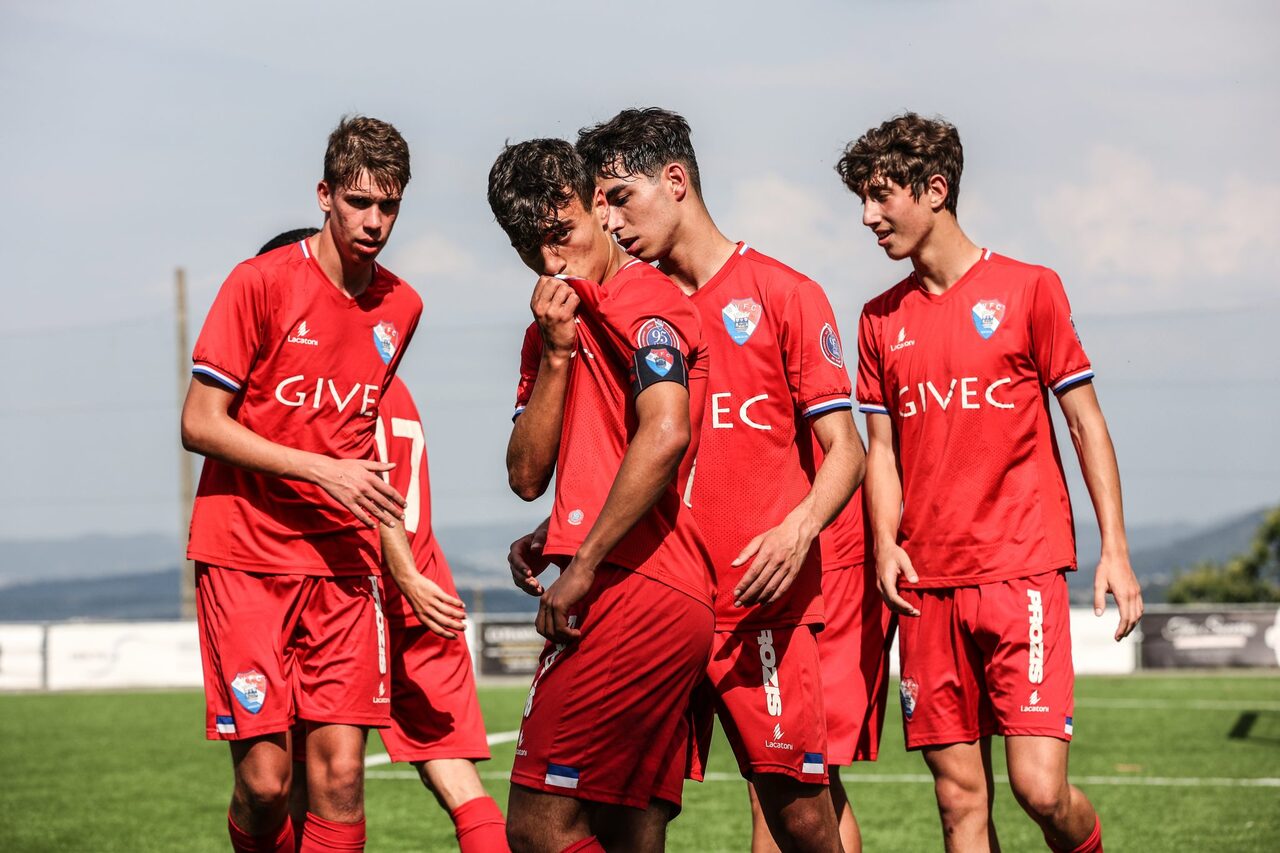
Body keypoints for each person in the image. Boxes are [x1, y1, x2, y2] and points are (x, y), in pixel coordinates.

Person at [576, 107, 880, 853]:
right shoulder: (631, 312)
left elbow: (847, 447)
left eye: (620, 197)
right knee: (634, 818)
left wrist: (799, 525)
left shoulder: (784, 292)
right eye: (600, 204)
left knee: (801, 812)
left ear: (675, 180)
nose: (609, 222)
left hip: (760, 606)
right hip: (661, 603)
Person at [838, 112, 1144, 853]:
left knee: (1040, 789)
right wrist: (884, 544)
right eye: (863, 200)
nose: (869, 217)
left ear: (935, 189)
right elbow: (881, 449)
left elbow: (1085, 422)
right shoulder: (879, 319)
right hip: (926, 583)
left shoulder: (1030, 289)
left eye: (883, 196)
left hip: (1022, 572)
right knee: (958, 803)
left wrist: (1116, 548)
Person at [181, 116, 423, 853]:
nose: (374, 221)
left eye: (389, 205)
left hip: (344, 567)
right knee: (263, 783)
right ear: (324, 195)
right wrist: (323, 470)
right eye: (359, 202)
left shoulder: (402, 306)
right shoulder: (258, 283)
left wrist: (400, 560)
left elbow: (356, 442)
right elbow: (199, 422)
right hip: (246, 557)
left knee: (342, 777)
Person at [491, 138, 715, 852]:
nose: (553, 261)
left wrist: (582, 562)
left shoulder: (644, 300)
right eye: (534, 249)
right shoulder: (552, 327)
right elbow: (527, 474)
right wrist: (556, 354)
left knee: (538, 826)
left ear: (596, 202)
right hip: (638, 586)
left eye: (562, 236)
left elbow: (666, 431)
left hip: (636, 586)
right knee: (629, 833)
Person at [255, 230, 509, 853]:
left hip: (350, 581)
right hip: (427, 579)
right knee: (458, 778)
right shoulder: (394, 386)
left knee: (306, 779)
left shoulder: (317, 392)